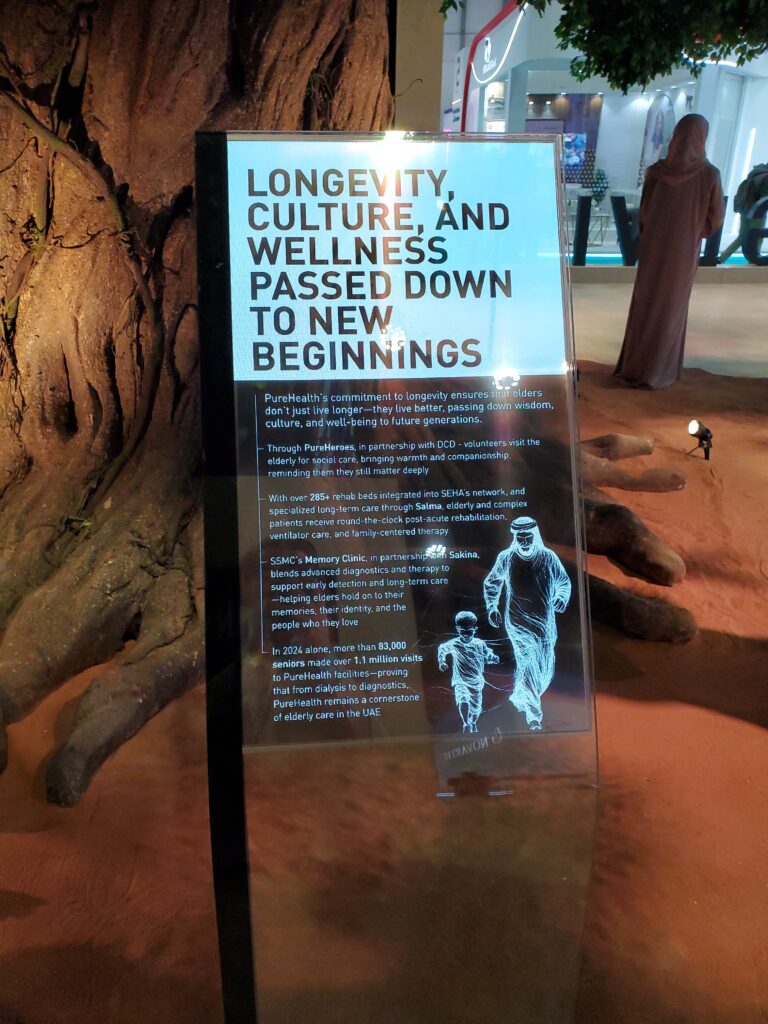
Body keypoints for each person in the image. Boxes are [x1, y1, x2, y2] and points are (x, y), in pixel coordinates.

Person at [614, 114, 725, 389]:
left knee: (646, 302)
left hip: (654, 248)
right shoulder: (709, 175)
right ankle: (659, 370)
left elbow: (644, 212)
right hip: (682, 252)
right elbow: (715, 218)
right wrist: (693, 229)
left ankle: (636, 366)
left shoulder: (657, 171)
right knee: (671, 307)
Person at [483, 517, 571, 730]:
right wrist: (492, 607)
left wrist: (561, 597)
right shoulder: (506, 558)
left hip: (544, 624)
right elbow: (492, 582)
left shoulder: (548, 558)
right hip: (517, 622)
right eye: (520, 537)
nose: (524, 541)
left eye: (528, 537)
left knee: (544, 669)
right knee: (527, 661)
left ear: (535, 536)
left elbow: (563, 581)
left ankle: (521, 696)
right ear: (515, 537)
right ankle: (533, 716)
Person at [438, 611, 499, 733]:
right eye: (463, 631)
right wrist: (441, 661)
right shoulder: (454, 644)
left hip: (476, 683)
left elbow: (488, 656)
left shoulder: (479, 644)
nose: (466, 635)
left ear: (475, 629)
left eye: (469, 631)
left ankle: (473, 722)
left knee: (476, 709)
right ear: (457, 629)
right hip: (460, 681)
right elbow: (442, 649)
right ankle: (466, 724)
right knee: (463, 698)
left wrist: (493, 658)